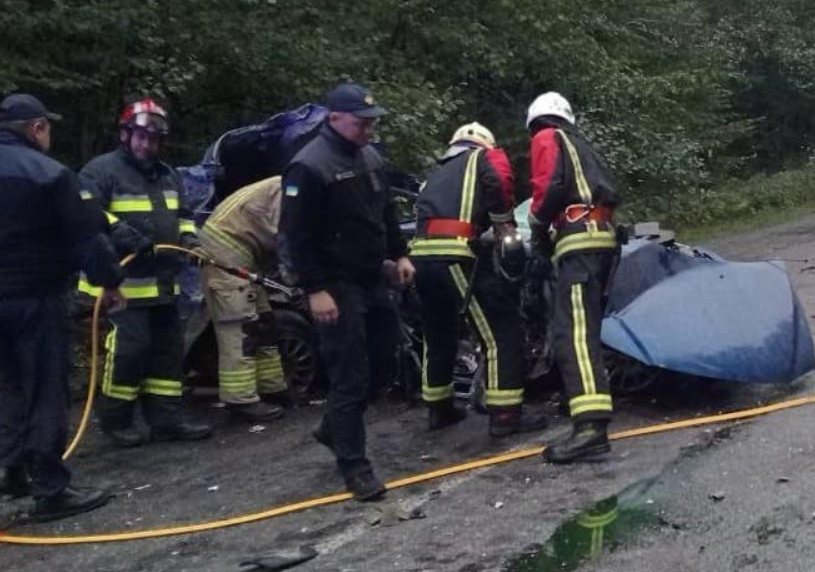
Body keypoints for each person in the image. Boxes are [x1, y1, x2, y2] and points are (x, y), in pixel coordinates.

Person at [0, 94, 126, 520]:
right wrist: (111, 283)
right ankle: (51, 488)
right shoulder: (50, 173)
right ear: (38, 128)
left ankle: (9, 468)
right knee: (46, 385)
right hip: (36, 297)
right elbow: (86, 237)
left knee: (10, 381)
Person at [279, 83, 414, 501]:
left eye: (371, 122)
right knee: (349, 374)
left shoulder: (370, 157)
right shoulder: (309, 166)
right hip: (335, 283)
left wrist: (400, 254)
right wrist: (315, 289)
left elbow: (385, 211)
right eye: (361, 122)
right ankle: (355, 467)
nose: (368, 129)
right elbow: (294, 236)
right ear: (334, 118)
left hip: (372, 276)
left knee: (386, 361)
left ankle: (332, 428)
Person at [80, 98, 212, 447]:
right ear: (126, 134)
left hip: (163, 282)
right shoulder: (100, 171)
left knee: (168, 352)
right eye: (140, 137)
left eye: (153, 139)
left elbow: (184, 213)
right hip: (121, 284)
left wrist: (188, 238)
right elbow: (89, 215)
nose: (146, 144)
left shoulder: (167, 174)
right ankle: (116, 421)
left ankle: (166, 420)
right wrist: (127, 237)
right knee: (130, 350)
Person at [410, 123, 548, 437]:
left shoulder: (435, 176)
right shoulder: (485, 158)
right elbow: (498, 181)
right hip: (456, 254)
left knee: (438, 331)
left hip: (422, 258)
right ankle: (505, 416)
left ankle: (439, 408)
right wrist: (503, 225)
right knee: (500, 331)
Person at [526, 92, 620, 464]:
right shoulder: (583, 145)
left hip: (579, 241)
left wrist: (536, 228)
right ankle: (580, 408)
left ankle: (591, 428)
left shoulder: (547, 137)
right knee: (586, 330)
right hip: (599, 237)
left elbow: (547, 186)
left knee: (573, 334)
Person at [188, 176, 290, 423]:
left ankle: (272, 388)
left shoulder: (292, 185)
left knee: (265, 322)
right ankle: (241, 401)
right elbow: (287, 238)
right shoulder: (290, 191)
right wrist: (301, 279)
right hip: (223, 250)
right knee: (241, 327)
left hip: (243, 252)